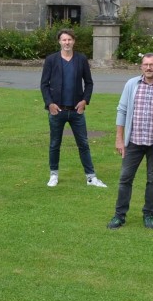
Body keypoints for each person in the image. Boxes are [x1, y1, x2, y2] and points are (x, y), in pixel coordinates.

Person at [107, 54, 153, 230]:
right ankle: (119, 216)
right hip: (133, 141)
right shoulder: (131, 85)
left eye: (152, 65)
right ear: (141, 67)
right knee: (125, 179)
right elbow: (121, 111)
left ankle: (149, 215)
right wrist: (119, 139)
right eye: (145, 65)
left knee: (152, 180)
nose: (149, 68)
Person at [40, 29, 106, 188]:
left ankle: (91, 177)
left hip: (76, 111)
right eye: (64, 40)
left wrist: (84, 101)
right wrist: (50, 104)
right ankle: (53, 174)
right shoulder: (51, 60)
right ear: (59, 42)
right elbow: (44, 84)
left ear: (74, 41)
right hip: (57, 111)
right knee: (55, 143)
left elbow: (89, 83)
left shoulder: (81, 59)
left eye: (69, 39)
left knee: (83, 143)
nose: (67, 43)